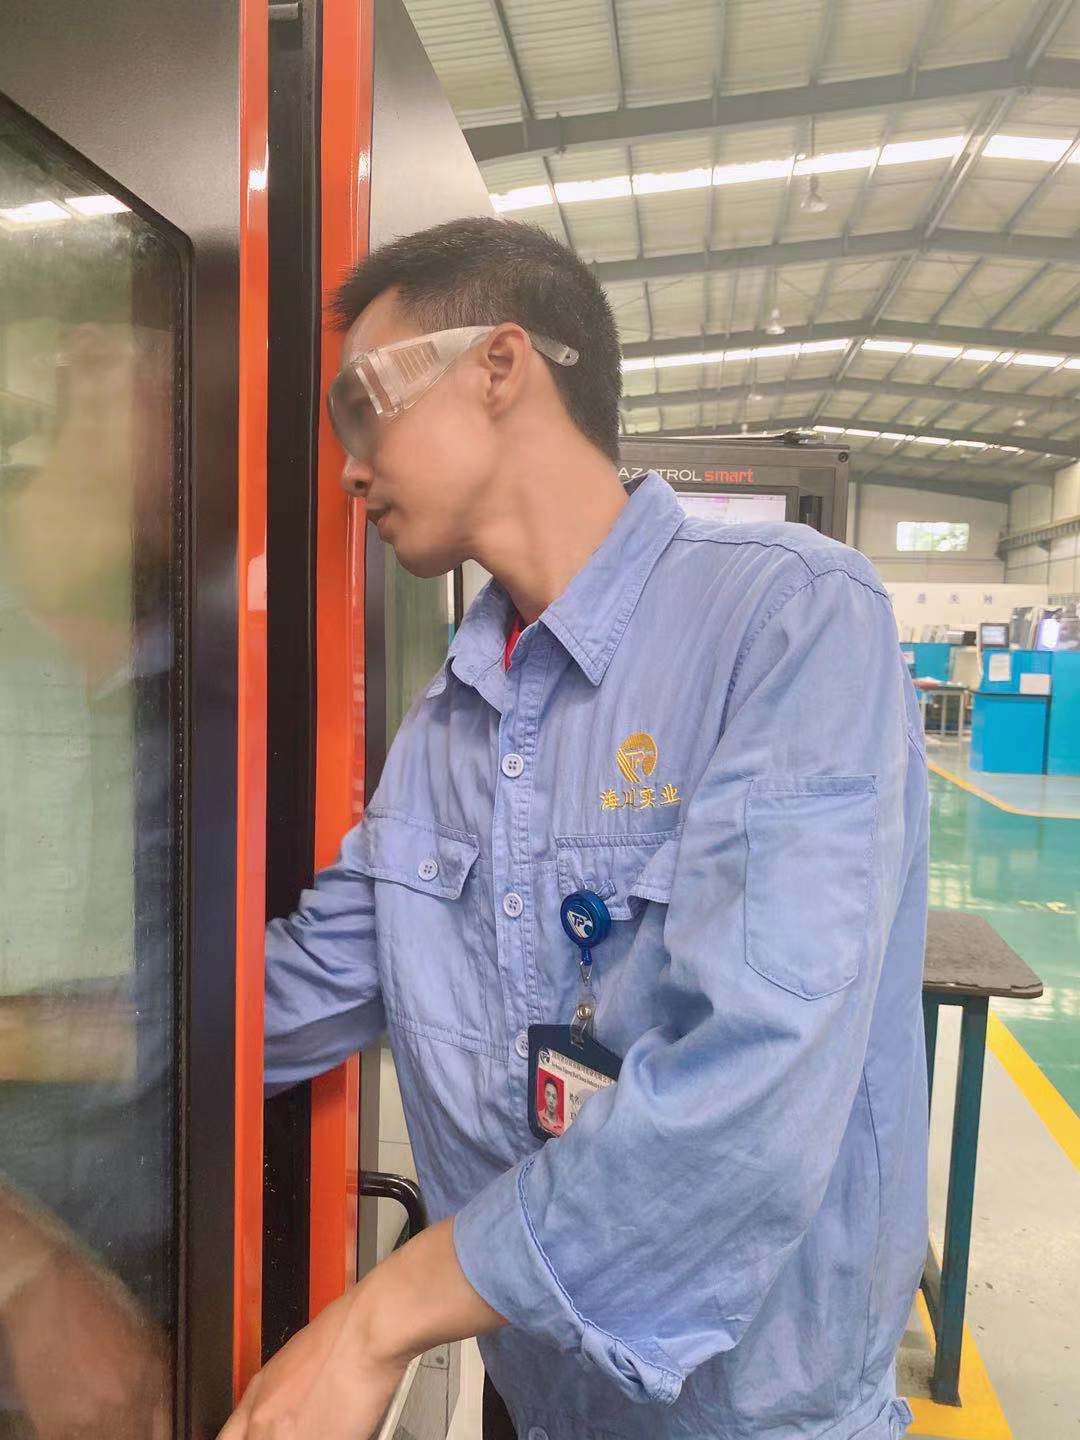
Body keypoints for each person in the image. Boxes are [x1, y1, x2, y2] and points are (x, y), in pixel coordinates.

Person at [222, 217, 929, 1440]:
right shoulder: (447, 727)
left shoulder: (788, 619)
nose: (347, 470)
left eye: (361, 405)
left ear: (499, 367)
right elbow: (287, 999)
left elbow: (753, 1090)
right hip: (542, 1399)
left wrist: (377, 1318)